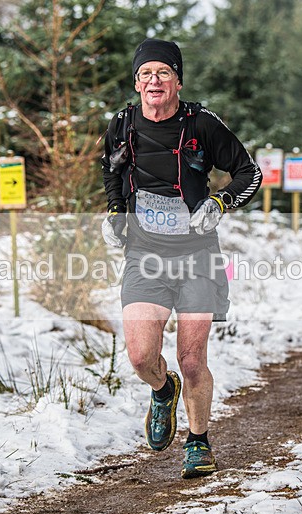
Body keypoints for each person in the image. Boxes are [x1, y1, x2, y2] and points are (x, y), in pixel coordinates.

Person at [101, 38, 262, 479]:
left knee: (192, 360)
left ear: (178, 81)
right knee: (140, 357)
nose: (154, 80)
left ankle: (198, 441)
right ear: (137, 83)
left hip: (197, 257)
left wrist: (220, 202)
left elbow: (250, 173)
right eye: (146, 74)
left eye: (164, 73)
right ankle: (162, 388)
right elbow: (111, 170)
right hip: (145, 255)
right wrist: (115, 211)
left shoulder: (201, 123)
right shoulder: (122, 124)